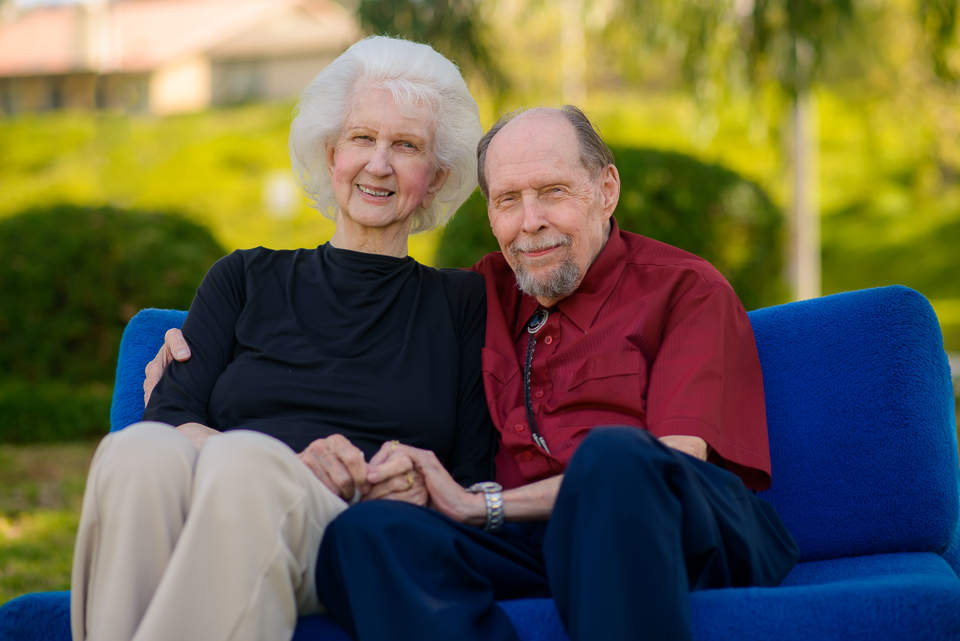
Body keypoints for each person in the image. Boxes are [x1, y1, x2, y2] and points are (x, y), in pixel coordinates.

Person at [148, 106, 799, 641]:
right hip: (529, 540)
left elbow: (671, 463)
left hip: (673, 527)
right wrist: (198, 372)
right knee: (366, 533)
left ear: (606, 190)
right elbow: (337, 349)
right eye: (508, 200)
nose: (530, 222)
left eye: (551, 192)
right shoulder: (478, 296)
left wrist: (478, 502)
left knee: (613, 459)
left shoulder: (685, 289)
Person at [70, 36, 494, 641]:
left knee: (247, 463)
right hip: (223, 496)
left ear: (436, 177)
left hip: (345, 528)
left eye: (406, 146)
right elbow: (168, 417)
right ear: (330, 155)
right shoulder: (244, 276)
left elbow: (471, 467)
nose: (379, 163)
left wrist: (412, 484)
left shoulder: (463, 304)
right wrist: (283, 462)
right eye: (361, 138)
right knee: (134, 454)